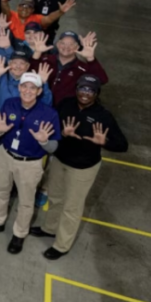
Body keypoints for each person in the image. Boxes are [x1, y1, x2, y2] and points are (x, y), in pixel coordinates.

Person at [31, 75, 128, 259]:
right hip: (60, 160)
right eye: (82, 89)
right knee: (55, 197)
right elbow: (52, 126)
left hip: (83, 168)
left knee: (72, 207)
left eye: (90, 90)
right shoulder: (66, 104)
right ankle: (49, 228)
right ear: (76, 90)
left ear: (96, 93)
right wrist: (62, 132)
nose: (85, 93)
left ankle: (61, 245)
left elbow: (123, 145)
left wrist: (105, 141)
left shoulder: (103, 116)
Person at [0, 72, 61, 254]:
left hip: (29, 163)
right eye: (25, 86)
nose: (28, 91)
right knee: (0, 190)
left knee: (26, 201)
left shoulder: (49, 114)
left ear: (39, 91)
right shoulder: (9, 104)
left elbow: (53, 148)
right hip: (5, 155)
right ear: (19, 88)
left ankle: (19, 234)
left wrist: (44, 141)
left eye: (33, 88)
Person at [31, 29, 107, 105]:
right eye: (63, 43)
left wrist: (90, 58)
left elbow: (102, 80)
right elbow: (27, 73)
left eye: (71, 44)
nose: (66, 47)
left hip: (66, 110)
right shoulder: (46, 59)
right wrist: (37, 53)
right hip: (40, 105)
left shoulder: (82, 67)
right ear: (57, 44)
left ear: (77, 47)